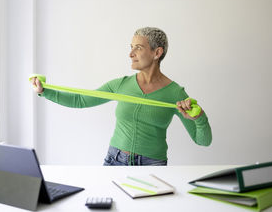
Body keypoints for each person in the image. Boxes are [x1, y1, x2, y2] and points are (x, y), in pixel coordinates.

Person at [30, 27, 212, 166]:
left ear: (157, 53)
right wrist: (44, 91)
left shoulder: (175, 93)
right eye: (131, 47)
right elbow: (80, 100)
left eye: (138, 48)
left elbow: (203, 140)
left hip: (152, 166)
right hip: (114, 160)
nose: (131, 54)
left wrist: (199, 117)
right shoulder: (121, 85)